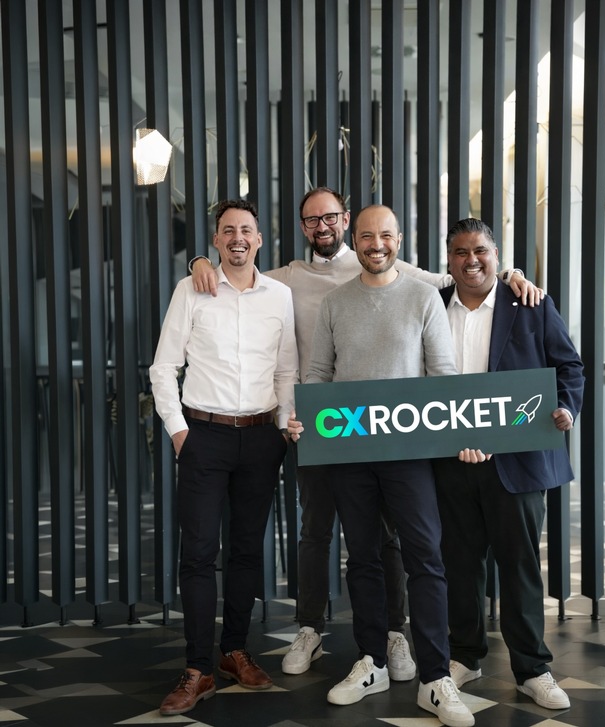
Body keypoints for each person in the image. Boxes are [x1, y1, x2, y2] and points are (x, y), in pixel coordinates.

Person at [190, 187, 540, 681]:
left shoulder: (399, 271)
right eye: (312, 220)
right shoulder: (288, 277)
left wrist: (511, 274)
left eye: (330, 217)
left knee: (395, 542)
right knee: (317, 533)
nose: (322, 226)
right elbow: (240, 272)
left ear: (347, 222)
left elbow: (461, 275)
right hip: (328, 431)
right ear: (305, 227)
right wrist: (199, 262)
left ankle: (399, 639)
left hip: (398, 439)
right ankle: (312, 630)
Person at [288, 204, 475, 727]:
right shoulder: (335, 302)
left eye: (385, 235)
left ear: (398, 239)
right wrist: (307, 417)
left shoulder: (422, 297)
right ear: (356, 238)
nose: (376, 244)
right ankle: (370, 661)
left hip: (410, 456)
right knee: (363, 560)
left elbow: (443, 374)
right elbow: (319, 373)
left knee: (425, 559)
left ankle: (435, 678)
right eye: (367, 236)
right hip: (349, 456)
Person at [149, 199, 299, 717]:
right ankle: (197, 668)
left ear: (259, 239)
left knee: (246, 551)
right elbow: (164, 367)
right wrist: (179, 432)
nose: (238, 237)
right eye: (228, 230)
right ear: (215, 241)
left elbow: (286, 370)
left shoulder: (280, 295)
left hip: (261, 438)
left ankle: (234, 651)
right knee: (197, 554)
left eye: (246, 230)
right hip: (204, 437)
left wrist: (283, 428)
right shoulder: (191, 289)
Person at [432, 218, 584, 710]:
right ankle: (466, 655)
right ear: (448, 259)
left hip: (516, 463)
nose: (471, 260)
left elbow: (569, 366)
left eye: (480, 250)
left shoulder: (531, 304)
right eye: (460, 252)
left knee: (519, 566)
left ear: (496, 255)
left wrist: (566, 408)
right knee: (459, 565)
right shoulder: (431, 303)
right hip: (449, 461)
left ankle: (532, 669)